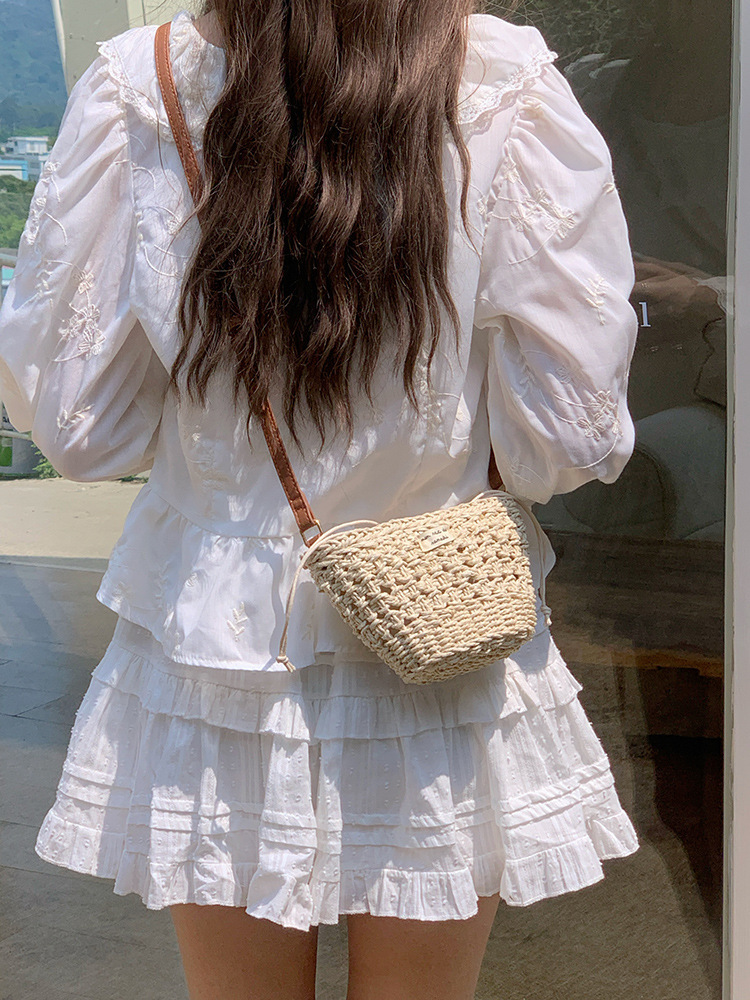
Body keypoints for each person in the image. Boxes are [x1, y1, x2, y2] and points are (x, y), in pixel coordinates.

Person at [0, 3, 640, 998]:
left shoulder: (147, 84)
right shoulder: (501, 79)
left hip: (216, 640)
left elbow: (82, 428)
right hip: (440, 622)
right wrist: (440, 450)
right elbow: (568, 432)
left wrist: (218, 440)